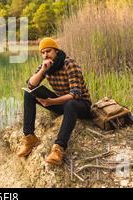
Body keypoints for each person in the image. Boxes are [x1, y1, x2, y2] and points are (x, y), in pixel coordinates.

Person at [17, 37, 93, 165]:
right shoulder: (46, 66)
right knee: (28, 93)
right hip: (63, 104)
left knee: (71, 103)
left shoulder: (69, 64)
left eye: (49, 51)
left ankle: (58, 149)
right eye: (43, 52)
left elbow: (75, 94)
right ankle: (30, 138)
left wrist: (52, 102)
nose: (45, 54)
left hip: (81, 105)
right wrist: (42, 70)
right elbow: (30, 85)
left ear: (56, 51)